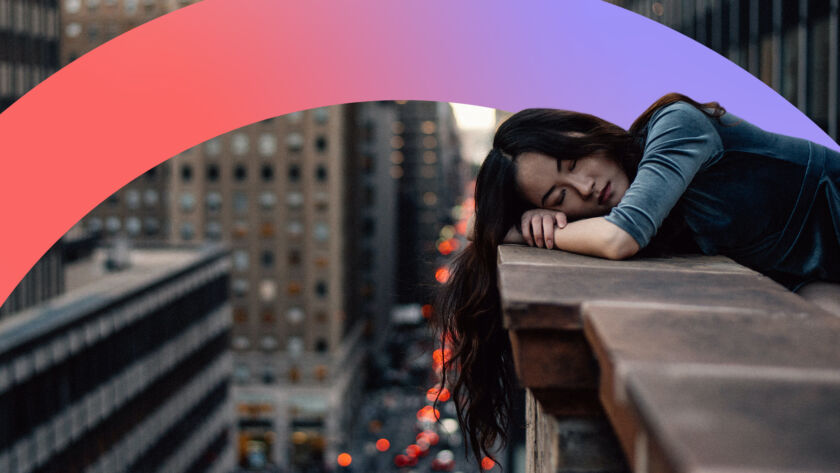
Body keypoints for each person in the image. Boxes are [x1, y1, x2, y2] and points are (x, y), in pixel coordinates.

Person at [433, 92, 840, 465]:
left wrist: (536, 231)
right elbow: (477, 228)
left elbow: (619, 238)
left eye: (572, 163)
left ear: (583, 130)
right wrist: (523, 221)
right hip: (813, 275)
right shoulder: (656, 208)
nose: (584, 188)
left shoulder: (676, 125)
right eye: (559, 198)